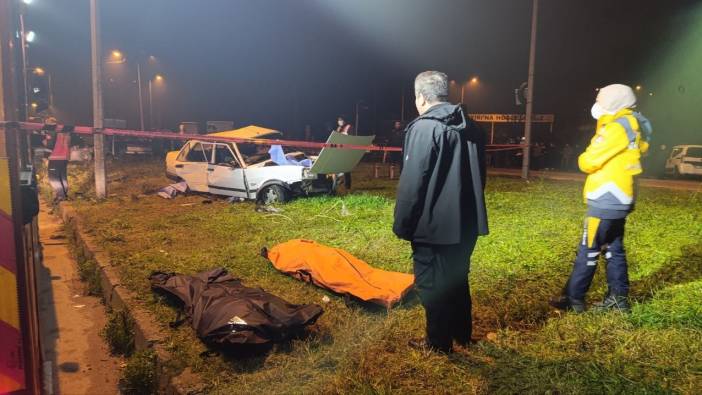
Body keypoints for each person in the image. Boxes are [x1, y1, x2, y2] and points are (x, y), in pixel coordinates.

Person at [393, 71, 488, 353]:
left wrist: (402, 224)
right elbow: (479, 177)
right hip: (466, 223)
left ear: (421, 96)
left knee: (431, 284)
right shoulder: (471, 126)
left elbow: (413, 183)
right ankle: (462, 334)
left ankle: (438, 342)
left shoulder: (424, 128)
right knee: (458, 278)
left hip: (432, 226)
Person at [550, 84, 651, 314]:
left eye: (601, 100)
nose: (598, 104)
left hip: (606, 197)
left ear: (614, 102)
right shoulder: (632, 125)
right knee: (614, 249)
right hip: (621, 196)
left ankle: (573, 299)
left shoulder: (616, 128)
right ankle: (618, 300)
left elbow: (588, 161)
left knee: (589, 248)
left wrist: (588, 151)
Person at [332, 115, 353, 189]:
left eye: (341, 120)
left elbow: (347, 136)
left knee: (346, 168)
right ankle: (337, 181)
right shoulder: (339, 128)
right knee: (336, 166)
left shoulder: (348, 127)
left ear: (344, 120)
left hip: (346, 150)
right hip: (339, 149)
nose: (340, 121)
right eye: (338, 120)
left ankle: (347, 185)